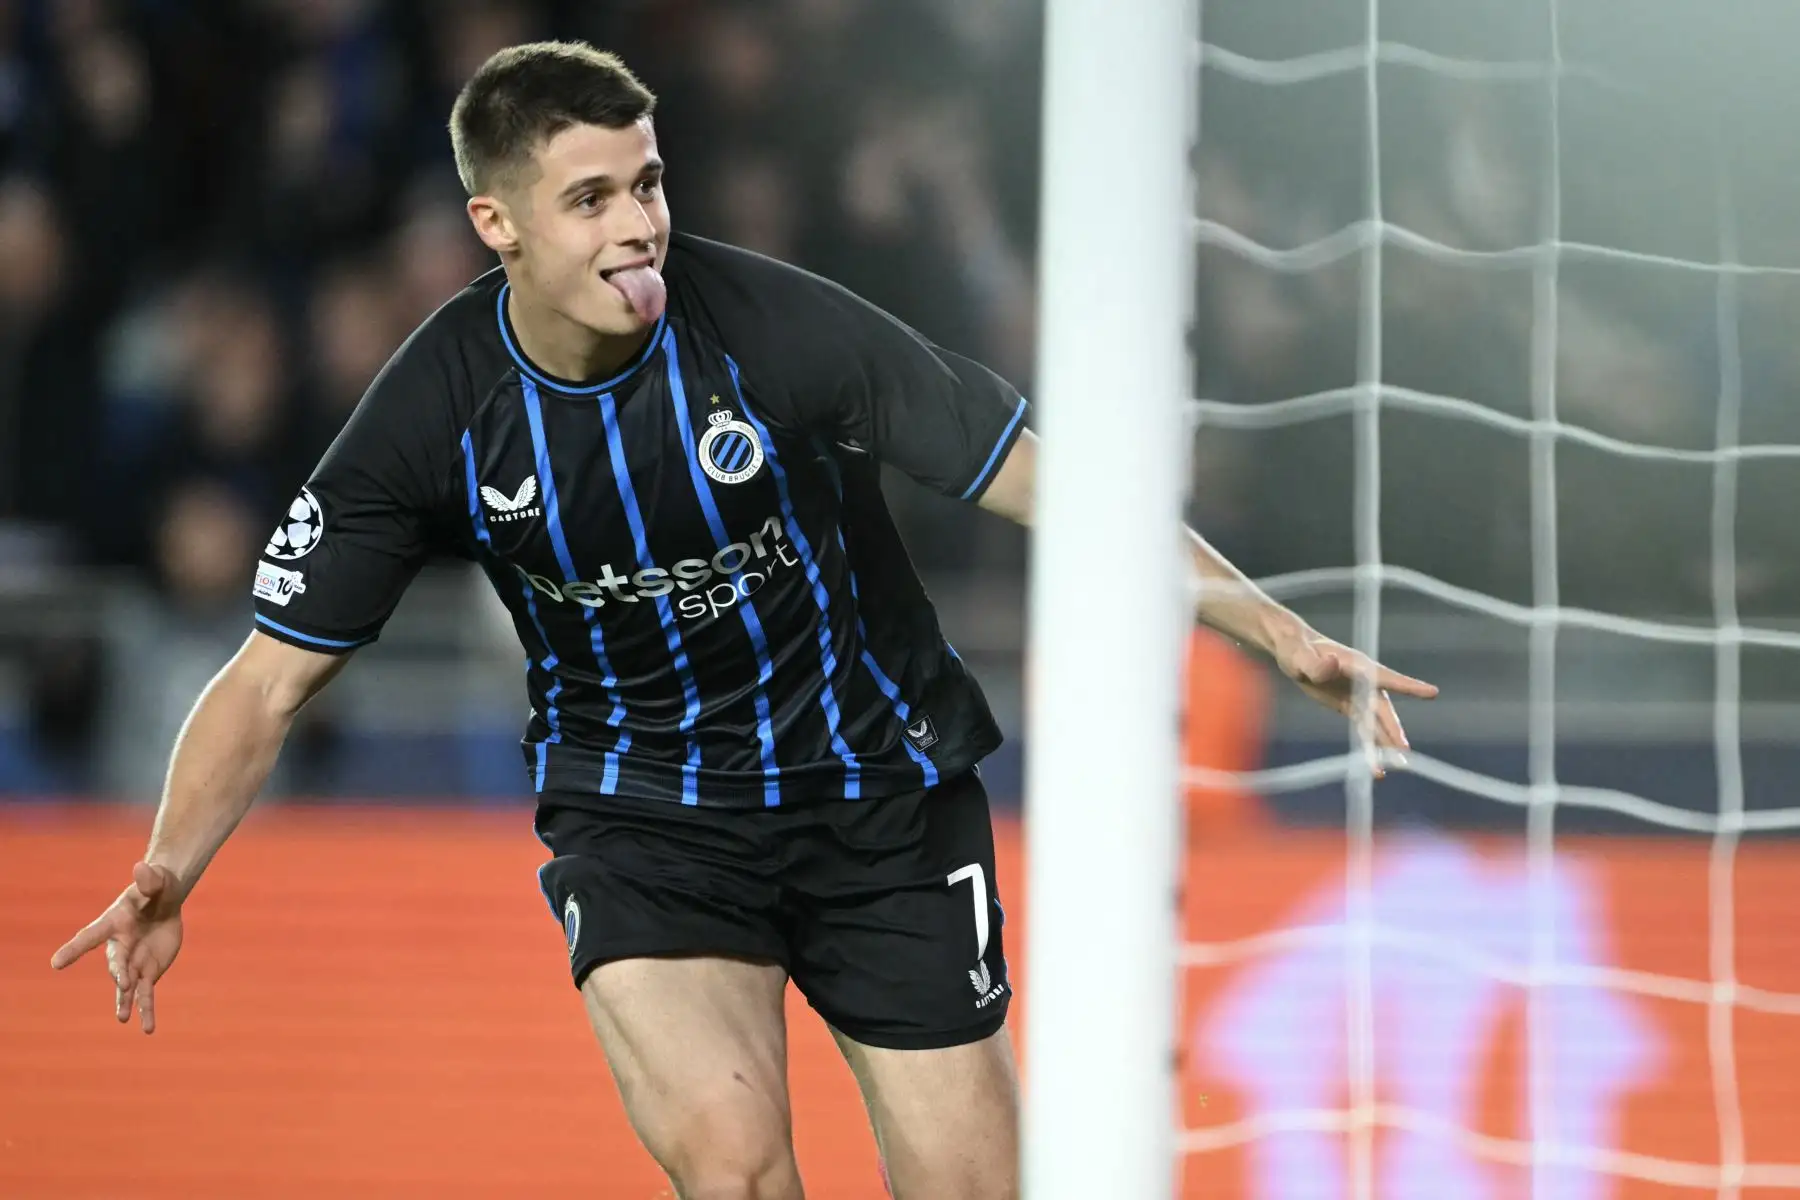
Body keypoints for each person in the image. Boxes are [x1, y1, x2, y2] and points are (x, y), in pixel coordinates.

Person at [50, 42, 1437, 1200]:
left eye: (648, 183)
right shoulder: (434, 414)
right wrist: (170, 862)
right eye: (588, 199)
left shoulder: (779, 331)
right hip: (644, 815)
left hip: (878, 799)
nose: (638, 224)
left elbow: (1052, 486)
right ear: (500, 226)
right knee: (735, 1168)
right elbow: (265, 683)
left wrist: (1269, 629)